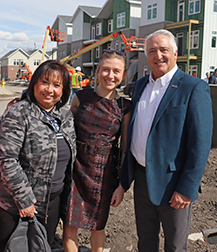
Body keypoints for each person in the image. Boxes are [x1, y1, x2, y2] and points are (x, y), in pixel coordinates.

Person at [119, 29, 213, 252]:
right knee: (146, 242)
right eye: (152, 51)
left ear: (175, 52)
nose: (158, 56)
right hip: (142, 179)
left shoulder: (193, 87)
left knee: (175, 246)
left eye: (163, 50)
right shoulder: (140, 85)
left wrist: (187, 188)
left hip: (174, 185)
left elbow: (200, 144)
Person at [0, 60, 77, 252]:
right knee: (13, 247)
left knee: (41, 245)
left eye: (57, 85)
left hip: (52, 200)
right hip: (14, 202)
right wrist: (24, 199)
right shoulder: (18, 112)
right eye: (44, 82)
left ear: (64, 90)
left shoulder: (65, 115)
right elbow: (6, 159)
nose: (49, 90)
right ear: (34, 83)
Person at [63, 50, 132, 252]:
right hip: (75, 169)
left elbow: (125, 148)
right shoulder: (80, 97)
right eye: (106, 70)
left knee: (98, 227)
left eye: (116, 71)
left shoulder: (124, 106)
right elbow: (66, 132)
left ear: (124, 74)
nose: (111, 76)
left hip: (104, 174)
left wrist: (122, 186)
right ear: (98, 71)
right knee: (69, 227)